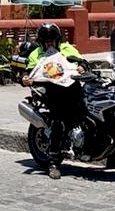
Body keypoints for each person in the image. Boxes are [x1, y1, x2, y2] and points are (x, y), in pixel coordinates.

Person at [22, 22, 86, 180]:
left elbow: (82, 61)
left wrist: (82, 67)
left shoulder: (67, 49)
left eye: (52, 39)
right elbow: (30, 71)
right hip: (52, 91)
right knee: (59, 122)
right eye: (46, 39)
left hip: (73, 88)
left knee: (88, 112)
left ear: (58, 39)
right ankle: (54, 163)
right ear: (41, 41)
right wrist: (26, 78)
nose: (49, 42)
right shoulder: (36, 54)